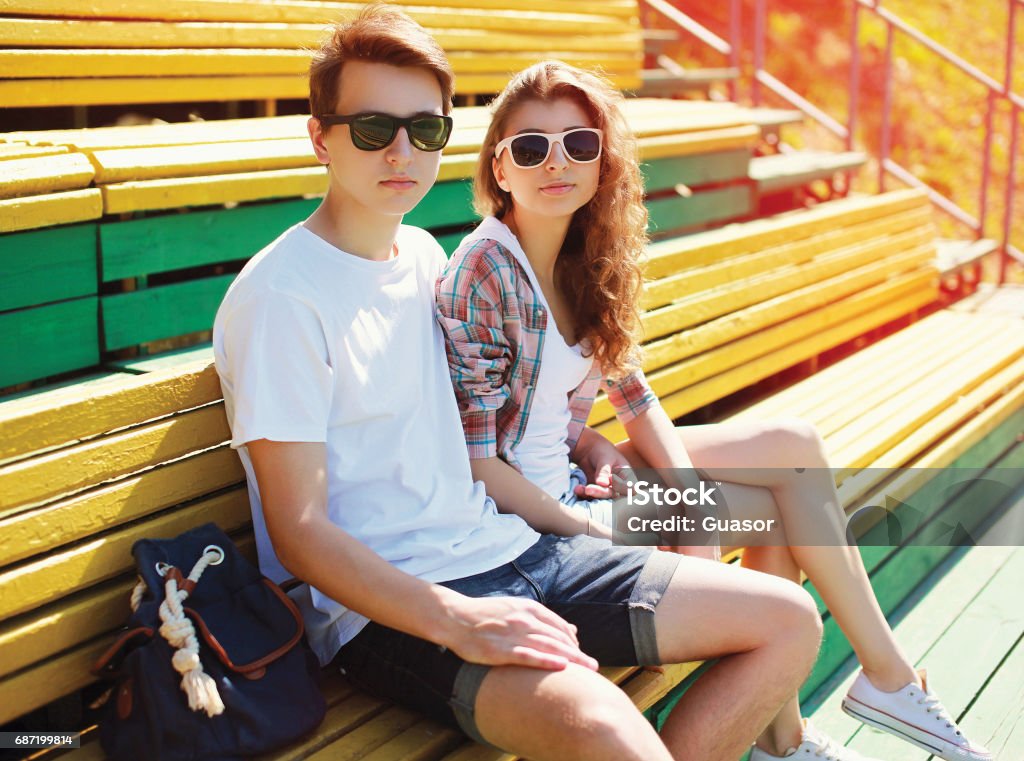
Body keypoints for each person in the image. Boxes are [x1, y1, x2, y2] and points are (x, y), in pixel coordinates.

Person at [213, 8, 825, 760]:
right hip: (393, 614)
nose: (401, 150)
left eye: (425, 129)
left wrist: (592, 439)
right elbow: (301, 534)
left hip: (518, 547)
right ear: (320, 137)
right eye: (373, 128)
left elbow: (495, 411)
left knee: (789, 618)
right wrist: (461, 621)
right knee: (608, 727)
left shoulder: (426, 258)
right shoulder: (282, 298)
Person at [436, 60, 992, 761]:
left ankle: (830, 710)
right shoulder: (488, 268)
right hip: (536, 524)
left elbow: (632, 399)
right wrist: (606, 507)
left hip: (578, 481)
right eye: (531, 147)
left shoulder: (583, 253)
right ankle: (847, 703)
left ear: (602, 159)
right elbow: (480, 463)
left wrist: (680, 495)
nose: (557, 162)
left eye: (579, 143)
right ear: (500, 168)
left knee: (791, 445)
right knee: (780, 501)